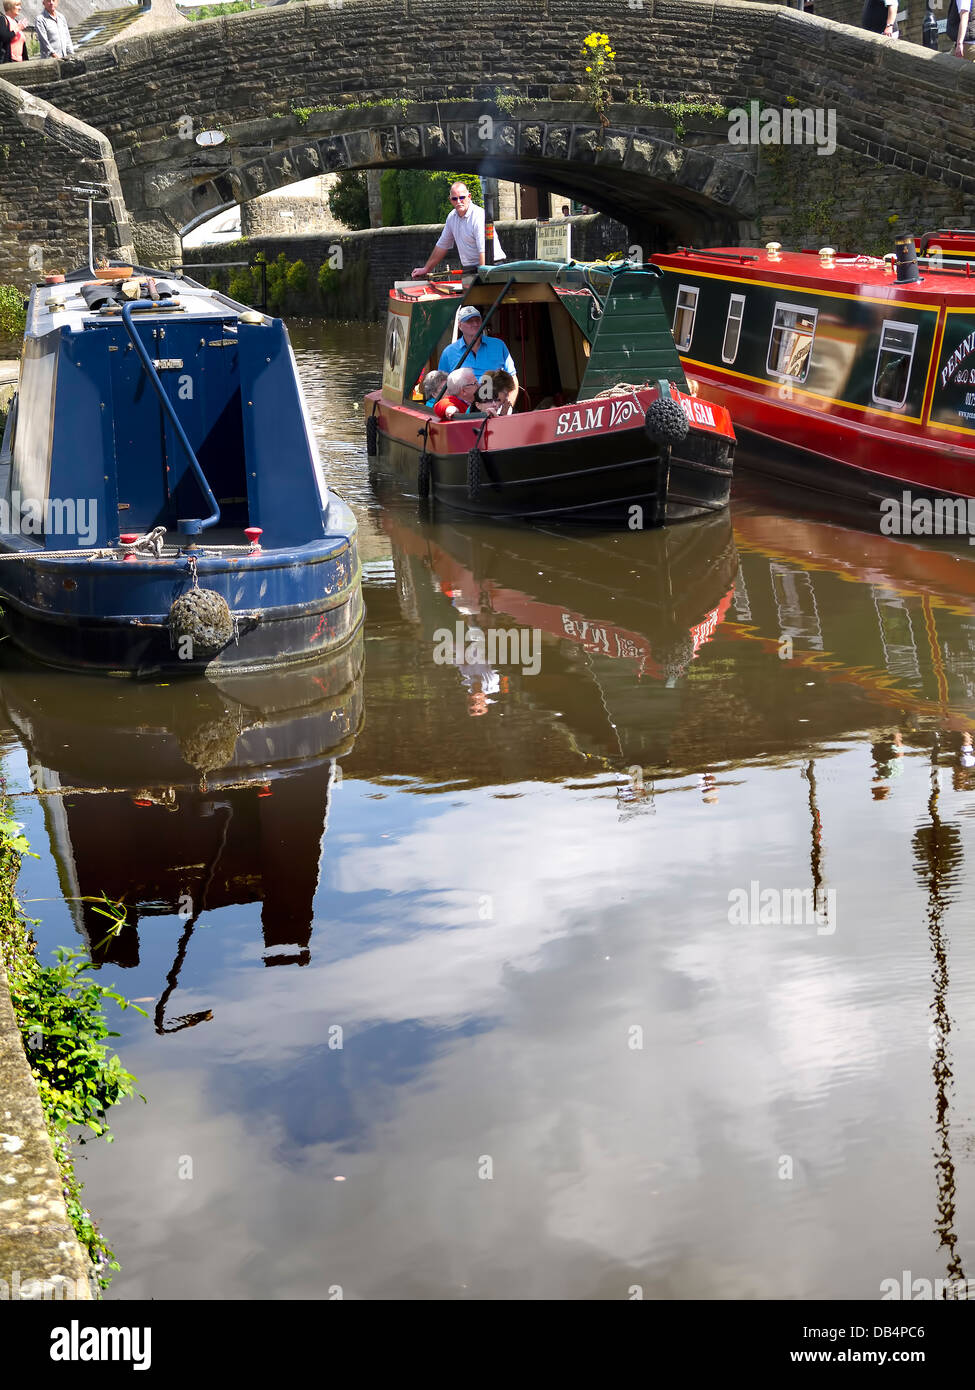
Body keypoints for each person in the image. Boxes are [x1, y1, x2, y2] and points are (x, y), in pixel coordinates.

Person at [411, 182, 505, 279]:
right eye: (454, 199)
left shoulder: (478, 216)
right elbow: (442, 245)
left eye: (462, 197)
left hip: (492, 266)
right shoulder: (452, 217)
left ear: (469, 196)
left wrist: (482, 279)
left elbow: (483, 251)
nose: (458, 201)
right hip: (471, 268)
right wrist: (426, 269)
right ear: (450, 200)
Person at [437, 304, 519, 407]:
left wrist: (508, 406)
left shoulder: (498, 345)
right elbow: (442, 387)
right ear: (460, 325)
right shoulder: (449, 352)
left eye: (478, 320)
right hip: (463, 411)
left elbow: (513, 379)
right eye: (469, 321)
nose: (475, 324)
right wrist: (451, 409)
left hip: (496, 407)